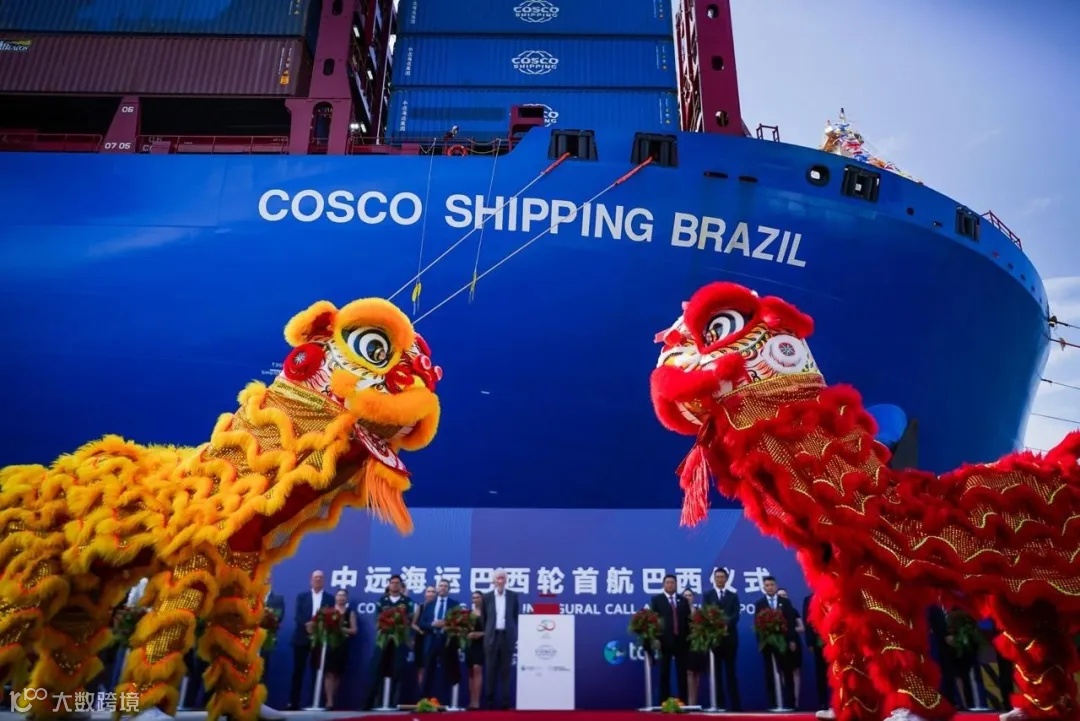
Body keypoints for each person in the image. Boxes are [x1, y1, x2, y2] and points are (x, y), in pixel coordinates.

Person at [366, 574, 414, 709]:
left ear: (401, 585)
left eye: (397, 583)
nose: (395, 585)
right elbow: (377, 619)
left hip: (399, 640)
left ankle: (394, 703)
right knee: (377, 669)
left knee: (397, 670)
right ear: (388, 585)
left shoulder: (407, 601)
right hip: (384, 639)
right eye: (392, 582)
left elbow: (409, 618)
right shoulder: (382, 601)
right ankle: (372, 703)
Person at [288, 570, 333, 710]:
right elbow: (298, 615)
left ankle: (316, 702)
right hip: (302, 638)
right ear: (311, 580)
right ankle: (293, 703)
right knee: (298, 671)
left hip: (320, 640)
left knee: (318, 671)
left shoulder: (329, 599)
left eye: (320, 577)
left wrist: (318, 627)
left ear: (324, 580)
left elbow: (332, 616)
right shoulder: (302, 597)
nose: (318, 579)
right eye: (315, 577)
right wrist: (308, 625)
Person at [754, 576, 799, 710]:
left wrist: (791, 640)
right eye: (767, 585)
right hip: (768, 643)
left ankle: (790, 703)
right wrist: (761, 643)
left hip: (783, 642)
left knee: (787, 672)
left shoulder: (785, 602)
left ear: (776, 586)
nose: (770, 587)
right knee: (770, 674)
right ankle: (773, 703)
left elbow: (791, 622)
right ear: (763, 587)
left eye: (772, 585)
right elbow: (757, 625)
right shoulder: (760, 603)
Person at [308, 589, 357, 710]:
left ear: (346, 598)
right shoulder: (327, 611)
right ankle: (329, 701)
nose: (341, 598)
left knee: (337, 674)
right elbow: (317, 626)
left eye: (343, 595)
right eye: (339, 595)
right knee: (328, 673)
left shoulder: (350, 612)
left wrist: (339, 628)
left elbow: (354, 630)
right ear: (335, 597)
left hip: (342, 645)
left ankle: (331, 699)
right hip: (328, 646)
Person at [703, 567, 742, 711]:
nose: (719, 579)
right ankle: (719, 704)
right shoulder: (708, 595)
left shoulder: (733, 595)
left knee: (731, 672)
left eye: (722, 577)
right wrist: (716, 625)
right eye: (717, 577)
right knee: (716, 672)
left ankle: (735, 705)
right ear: (714, 579)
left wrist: (726, 623)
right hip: (715, 639)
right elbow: (706, 613)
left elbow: (736, 615)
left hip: (730, 639)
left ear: (726, 579)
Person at [482, 568, 520, 710]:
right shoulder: (487, 597)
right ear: (494, 580)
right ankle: (489, 702)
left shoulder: (513, 596)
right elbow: (484, 618)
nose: (500, 581)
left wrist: (512, 632)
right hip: (492, 637)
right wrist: (488, 633)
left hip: (506, 637)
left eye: (502, 578)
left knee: (505, 671)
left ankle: (505, 703)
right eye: (498, 578)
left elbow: (515, 616)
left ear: (506, 580)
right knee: (490, 671)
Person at [649, 573, 691, 703]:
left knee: (682, 673)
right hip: (664, 642)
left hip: (681, 641)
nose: (670, 585)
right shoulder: (657, 600)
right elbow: (653, 621)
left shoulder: (682, 600)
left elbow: (688, 620)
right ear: (663, 584)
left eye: (672, 582)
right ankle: (664, 702)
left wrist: (689, 638)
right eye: (667, 582)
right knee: (664, 673)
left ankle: (683, 702)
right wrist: (656, 638)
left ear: (676, 584)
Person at [420, 578, 461, 700]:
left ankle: (445, 701)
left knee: (446, 672)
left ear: (449, 589)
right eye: (441, 585)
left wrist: (446, 624)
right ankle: (424, 700)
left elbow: (458, 622)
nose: (443, 588)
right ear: (437, 588)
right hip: (432, 640)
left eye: (445, 586)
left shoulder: (454, 604)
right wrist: (433, 624)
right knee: (428, 671)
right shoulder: (430, 604)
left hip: (447, 641)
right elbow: (422, 623)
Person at [803, 592, 832, 718]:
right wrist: (810, 642)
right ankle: (822, 703)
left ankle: (837, 703)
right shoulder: (808, 599)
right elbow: (807, 622)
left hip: (835, 641)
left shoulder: (832, 596)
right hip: (818, 642)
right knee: (820, 673)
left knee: (836, 673)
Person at [778, 588, 804, 707]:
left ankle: (796, 702)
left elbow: (802, 628)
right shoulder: (773, 612)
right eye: (780, 595)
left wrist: (789, 630)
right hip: (780, 644)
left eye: (784, 595)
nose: (782, 597)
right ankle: (786, 701)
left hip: (794, 643)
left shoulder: (793, 611)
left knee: (795, 672)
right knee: (783, 672)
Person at [682, 588, 706, 706]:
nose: (688, 597)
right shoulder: (680, 612)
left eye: (690, 595)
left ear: (693, 597)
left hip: (697, 645)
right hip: (685, 646)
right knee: (689, 673)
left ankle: (694, 702)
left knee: (696, 673)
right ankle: (689, 702)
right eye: (685, 595)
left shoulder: (699, 612)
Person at [412, 586, 436, 692]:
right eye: (428, 591)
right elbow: (413, 624)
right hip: (421, 638)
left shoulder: (439, 607)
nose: (430, 593)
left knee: (430, 667)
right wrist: (420, 630)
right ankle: (420, 693)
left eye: (433, 592)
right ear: (425, 594)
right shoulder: (421, 607)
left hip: (433, 638)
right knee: (421, 667)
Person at [465, 591, 485, 709]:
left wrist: (480, 634)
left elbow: (491, 630)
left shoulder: (487, 614)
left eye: (478, 597)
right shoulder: (468, 614)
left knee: (477, 669)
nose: (475, 599)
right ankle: (471, 701)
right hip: (470, 645)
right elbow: (463, 629)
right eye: (474, 598)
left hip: (481, 644)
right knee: (471, 672)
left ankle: (477, 702)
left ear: (482, 599)